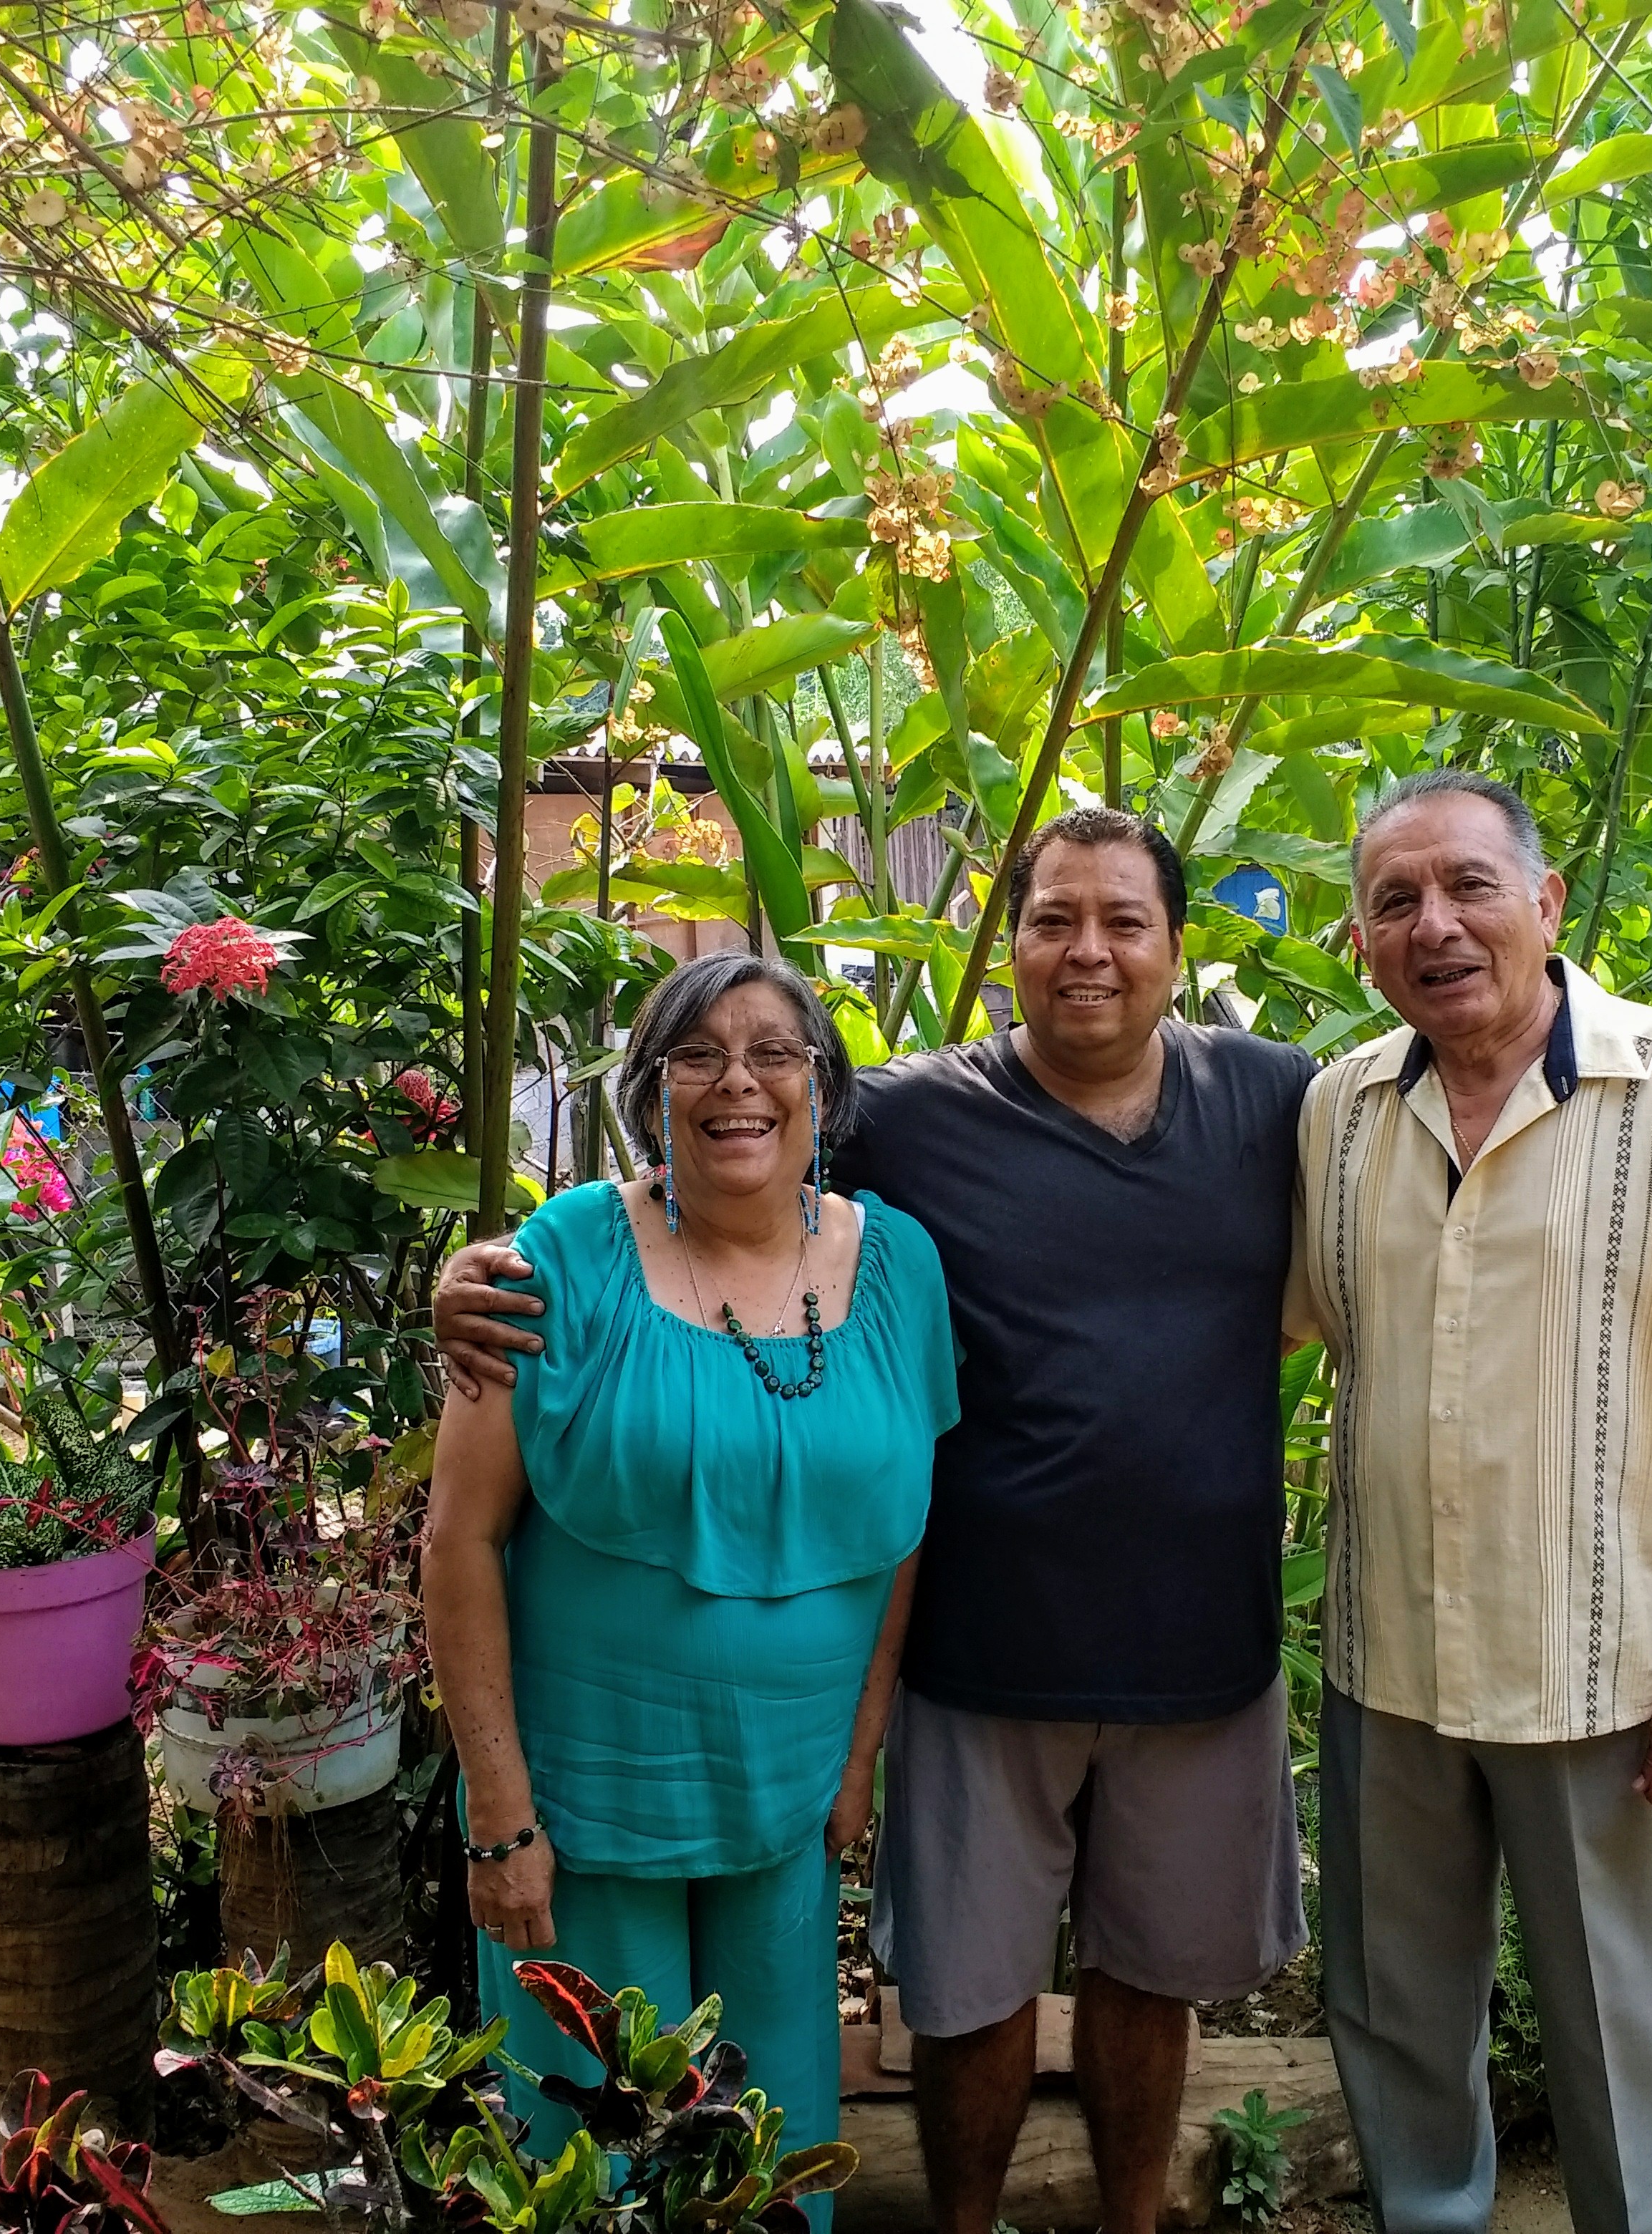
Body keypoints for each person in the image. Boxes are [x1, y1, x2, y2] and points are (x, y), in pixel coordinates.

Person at [436, 808, 1310, 2234]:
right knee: (896, 2015)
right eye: (1052, 921)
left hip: (1084, 1694)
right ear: (1008, 940)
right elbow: (471, 1513)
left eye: (1126, 922)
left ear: (1174, 944)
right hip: (864, 1699)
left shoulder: (1273, 1101)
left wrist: (850, 1756)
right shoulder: (890, 1124)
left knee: (1087, 2006)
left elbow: (1434, 1143)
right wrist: (458, 1276)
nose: (1088, 952)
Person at [1285, 768, 1652, 2234]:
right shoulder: (1338, 1112)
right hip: (1390, 1676)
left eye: (1470, 886)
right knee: (1396, 2031)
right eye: (1395, 901)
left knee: (1625, 2055)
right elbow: (1300, 1347)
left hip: (1599, 1686)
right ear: (1361, 941)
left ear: (1543, 905)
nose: (1435, 925)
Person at [420, 952, 956, 2225]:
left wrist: (859, 1755)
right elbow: (458, 1540)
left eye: (778, 1053)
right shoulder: (560, 1260)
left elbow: (900, 1536)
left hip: (784, 1810)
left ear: (824, 1092)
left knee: (765, 2154)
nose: (740, 1084)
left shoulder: (900, 1270)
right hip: (586, 1817)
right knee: (599, 2147)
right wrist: (500, 1817)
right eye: (698, 1054)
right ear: (648, 1091)